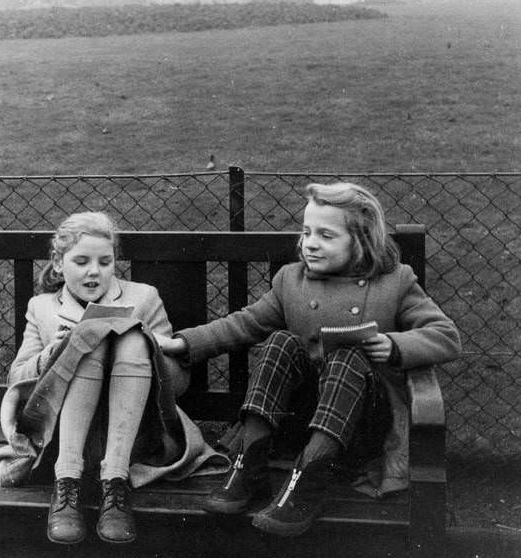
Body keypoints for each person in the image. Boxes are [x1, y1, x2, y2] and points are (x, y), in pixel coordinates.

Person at [161, 182, 461, 537]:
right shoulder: (291, 280)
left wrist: (395, 345)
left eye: (326, 235)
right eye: (306, 232)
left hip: (359, 433)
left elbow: (445, 335)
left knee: (348, 357)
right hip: (296, 424)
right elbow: (245, 323)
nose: (310, 243)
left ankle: (308, 484)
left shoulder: (394, 283)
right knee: (280, 343)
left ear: (361, 240)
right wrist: (184, 343)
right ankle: (249, 464)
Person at [5, 210, 192, 547]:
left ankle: (115, 485)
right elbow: (17, 378)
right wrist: (57, 351)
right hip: (63, 437)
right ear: (59, 264)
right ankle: (67, 484)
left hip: (133, 438)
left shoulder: (143, 297)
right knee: (87, 338)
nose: (94, 271)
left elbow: (176, 385)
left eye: (105, 262)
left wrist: (150, 344)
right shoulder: (43, 307)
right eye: (81, 261)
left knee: (132, 338)